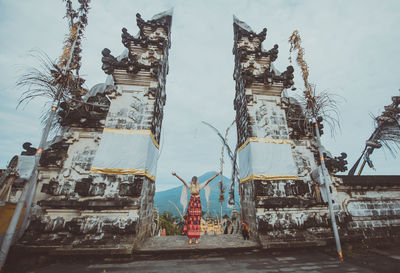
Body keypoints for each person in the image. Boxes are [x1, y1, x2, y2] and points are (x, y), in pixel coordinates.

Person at [172, 171, 220, 245]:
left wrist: (215, 176)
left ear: (196, 181)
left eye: (195, 180)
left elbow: (208, 181)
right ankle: (190, 238)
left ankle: (196, 238)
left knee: (197, 222)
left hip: (197, 205)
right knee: (190, 221)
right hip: (192, 205)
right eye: (193, 180)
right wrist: (176, 175)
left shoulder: (199, 186)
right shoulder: (190, 186)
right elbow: (183, 181)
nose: (194, 181)